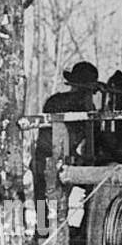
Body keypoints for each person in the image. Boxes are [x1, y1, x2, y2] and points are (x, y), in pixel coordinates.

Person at [32, 61, 100, 205]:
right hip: (46, 159)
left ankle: (51, 227)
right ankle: (45, 227)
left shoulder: (86, 106)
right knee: (46, 208)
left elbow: (88, 136)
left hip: (59, 160)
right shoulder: (60, 102)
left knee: (56, 209)